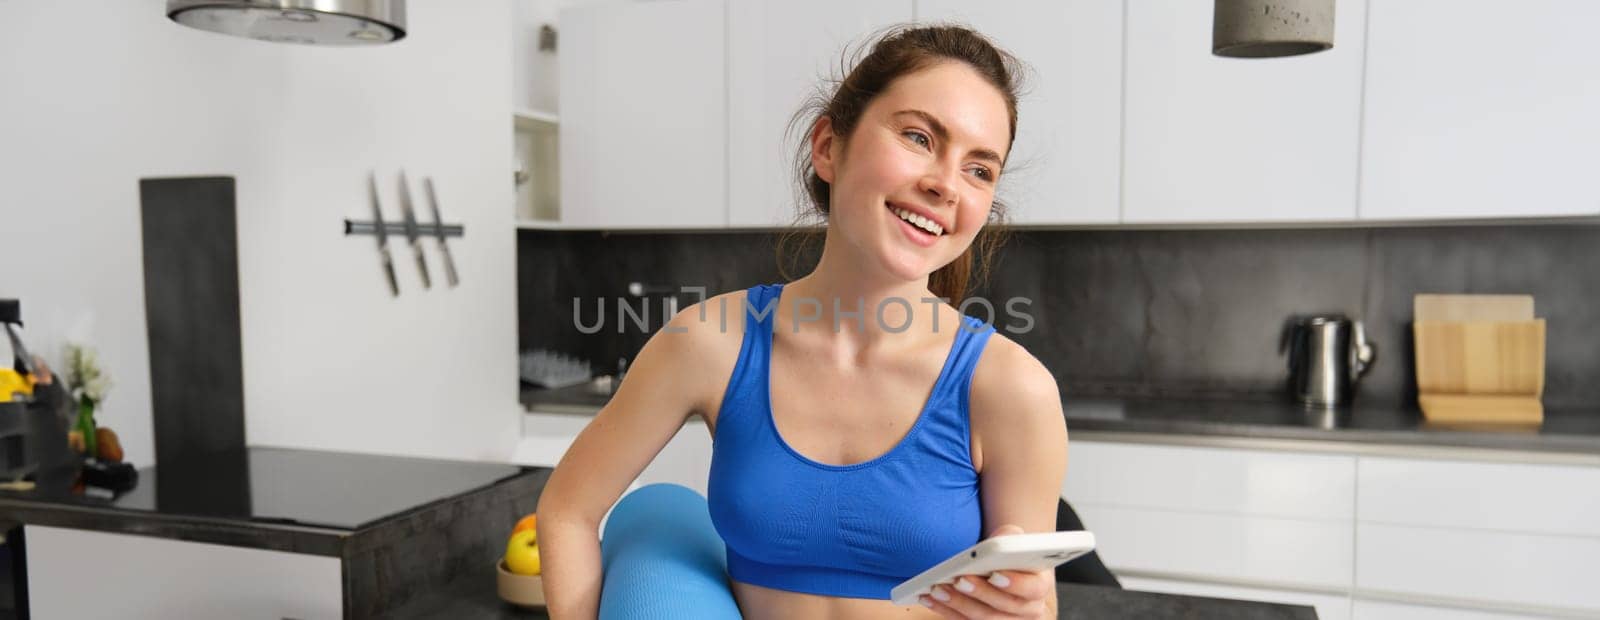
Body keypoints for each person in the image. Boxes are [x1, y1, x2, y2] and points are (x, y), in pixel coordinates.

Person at [538, 25, 1068, 619]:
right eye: (919, 136)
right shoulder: (711, 343)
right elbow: (568, 510)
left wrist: (1027, 607)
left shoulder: (1010, 389)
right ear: (828, 147)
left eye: (979, 170)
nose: (945, 184)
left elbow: (1033, 608)